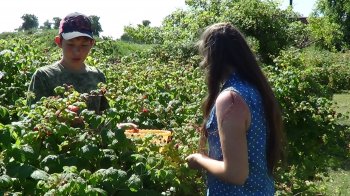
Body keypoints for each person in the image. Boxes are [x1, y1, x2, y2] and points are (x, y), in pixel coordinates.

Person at [185, 23, 285, 195]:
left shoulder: (230, 99)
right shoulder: (255, 90)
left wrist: (199, 159)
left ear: (212, 57)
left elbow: (235, 174)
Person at [27, 12, 106, 105]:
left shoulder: (98, 76)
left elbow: (104, 116)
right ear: (59, 42)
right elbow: (32, 116)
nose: (77, 51)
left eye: (84, 45)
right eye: (71, 44)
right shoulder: (44, 76)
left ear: (92, 44)